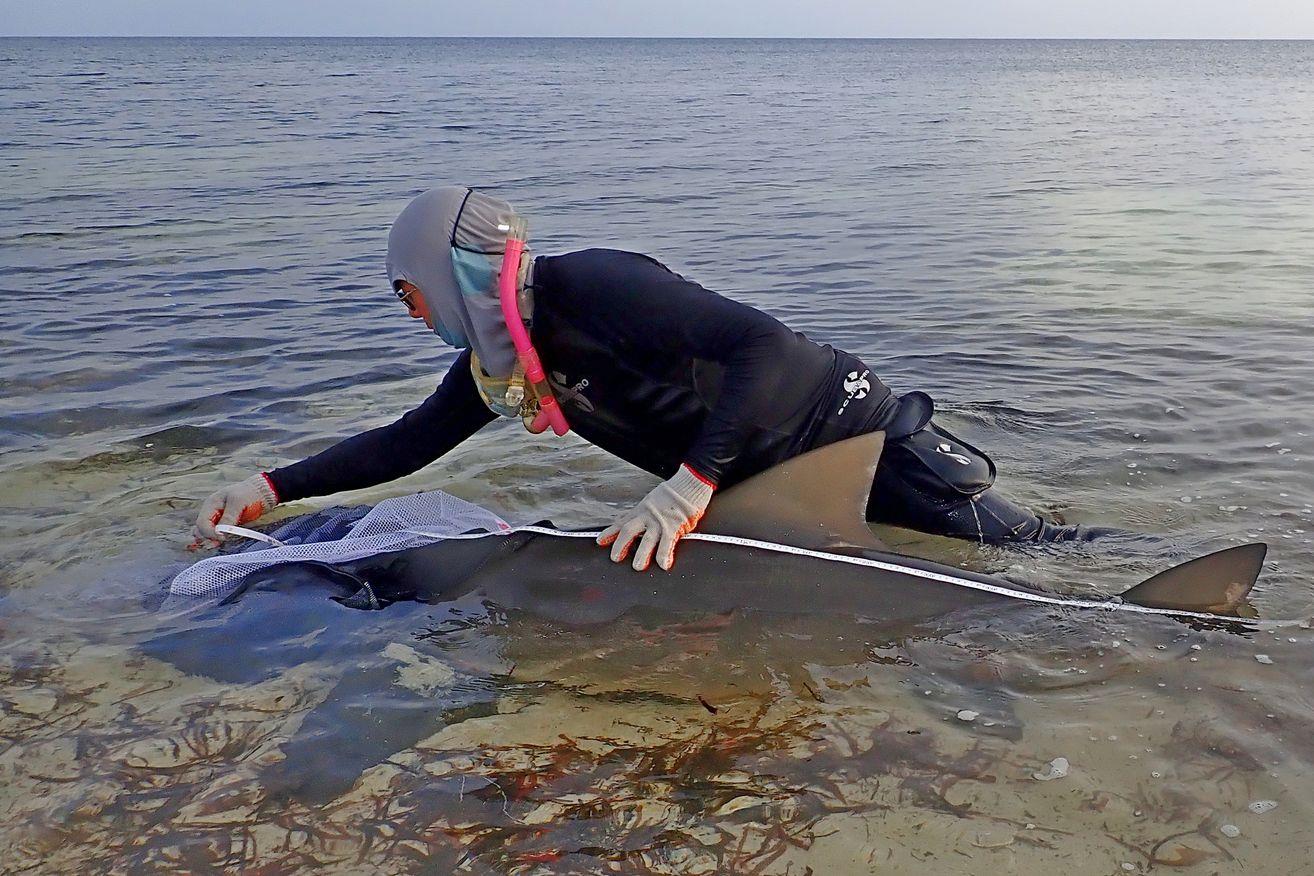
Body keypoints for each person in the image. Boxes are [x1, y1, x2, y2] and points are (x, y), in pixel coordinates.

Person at [194, 186, 1113, 572]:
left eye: (408, 292)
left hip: (861, 442)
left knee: (1044, 560)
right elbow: (404, 441)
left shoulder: (592, 286)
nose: (408, 312)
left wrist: (687, 488)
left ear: (442, 269)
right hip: (771, 492)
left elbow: (768, 350)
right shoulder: (504, 369)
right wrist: (270, 486)